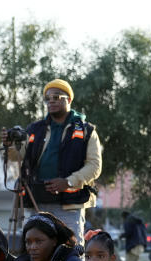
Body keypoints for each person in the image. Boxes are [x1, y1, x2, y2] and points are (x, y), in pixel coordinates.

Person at [6, 78, 103, 246]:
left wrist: (68, 182)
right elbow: (16, 156)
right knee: (37, 251)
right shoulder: (34, 129)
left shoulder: (87, 130)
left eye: (57, 97)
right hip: (38, 200)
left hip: (69, 205)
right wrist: (10, 144)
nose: (51, 101)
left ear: (69, 100)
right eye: (48, 98)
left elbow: (94, 166)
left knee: (71, 251)